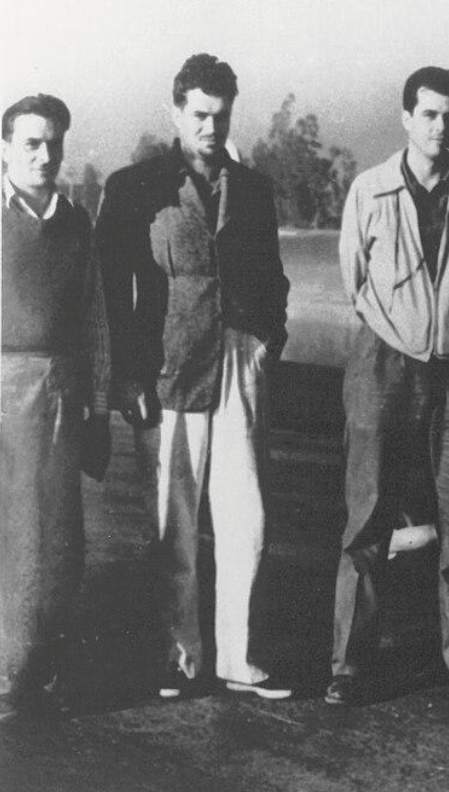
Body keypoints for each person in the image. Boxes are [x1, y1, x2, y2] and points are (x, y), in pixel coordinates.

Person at [96, 53, 291, 700]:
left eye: (221, 115)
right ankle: (179, 659)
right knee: (173, 522)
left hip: (239, 363)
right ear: (176, 111)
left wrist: (268, 341)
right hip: (168, 368)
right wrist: (127, 376)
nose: (211, 127)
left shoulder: (255, 190)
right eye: (199, 114)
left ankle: (241, 658)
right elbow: (110, 289)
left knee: (248, 520)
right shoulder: (135, 188)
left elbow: (275, 279)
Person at [327, 66, 449, 707]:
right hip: (382, 364)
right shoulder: (369, 190)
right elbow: (355, 279)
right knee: (367, 518)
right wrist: (404, 332)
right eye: (428, 114)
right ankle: (348, 668)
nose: (440, 126)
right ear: (406, 117)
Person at [1, 94, 110, 718]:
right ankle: (5, 677)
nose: (45, 155)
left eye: (54, 144)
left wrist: (96, 405)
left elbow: (94, 315)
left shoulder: (75, 220)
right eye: (32, 143)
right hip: (3, 390)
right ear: (6, 148)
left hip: (64, 390)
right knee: (10, 534)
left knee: (61, 535)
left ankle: (43, 669)